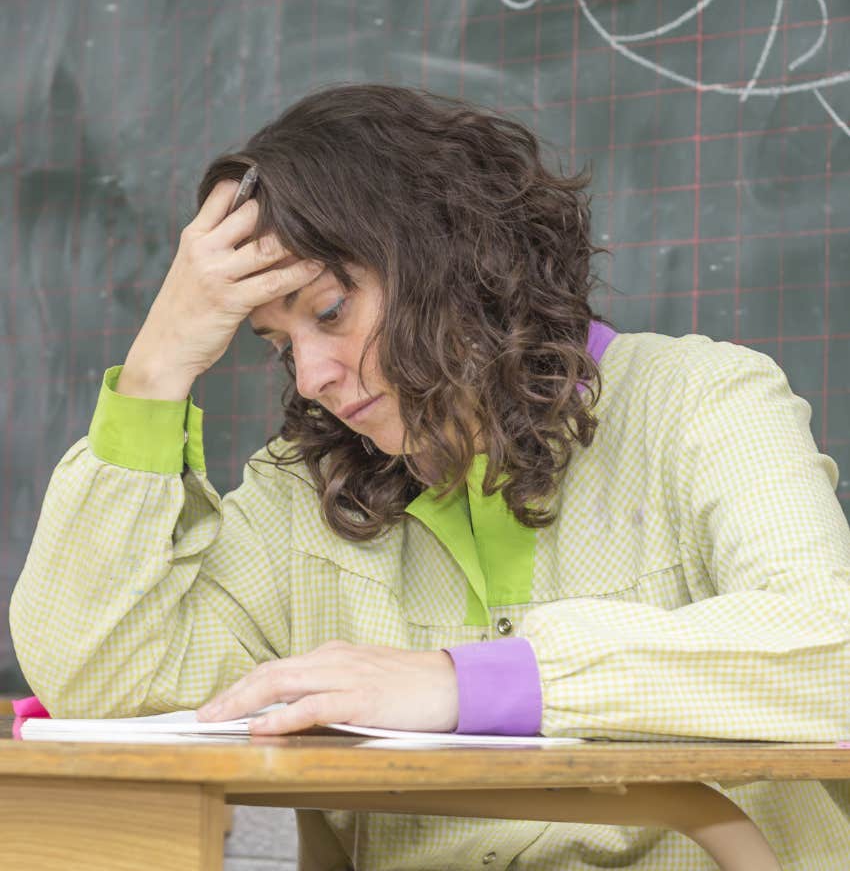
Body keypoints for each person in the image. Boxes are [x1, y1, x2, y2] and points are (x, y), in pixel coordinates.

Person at [10, 84, 850, 869]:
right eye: (277, 343)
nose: (310, 378)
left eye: (331, 313)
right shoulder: (302, 494)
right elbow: (98, 684)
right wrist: (158, 368)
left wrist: (465, 683)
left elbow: (832, 651)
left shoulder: (699, 401)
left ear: (451, 258)